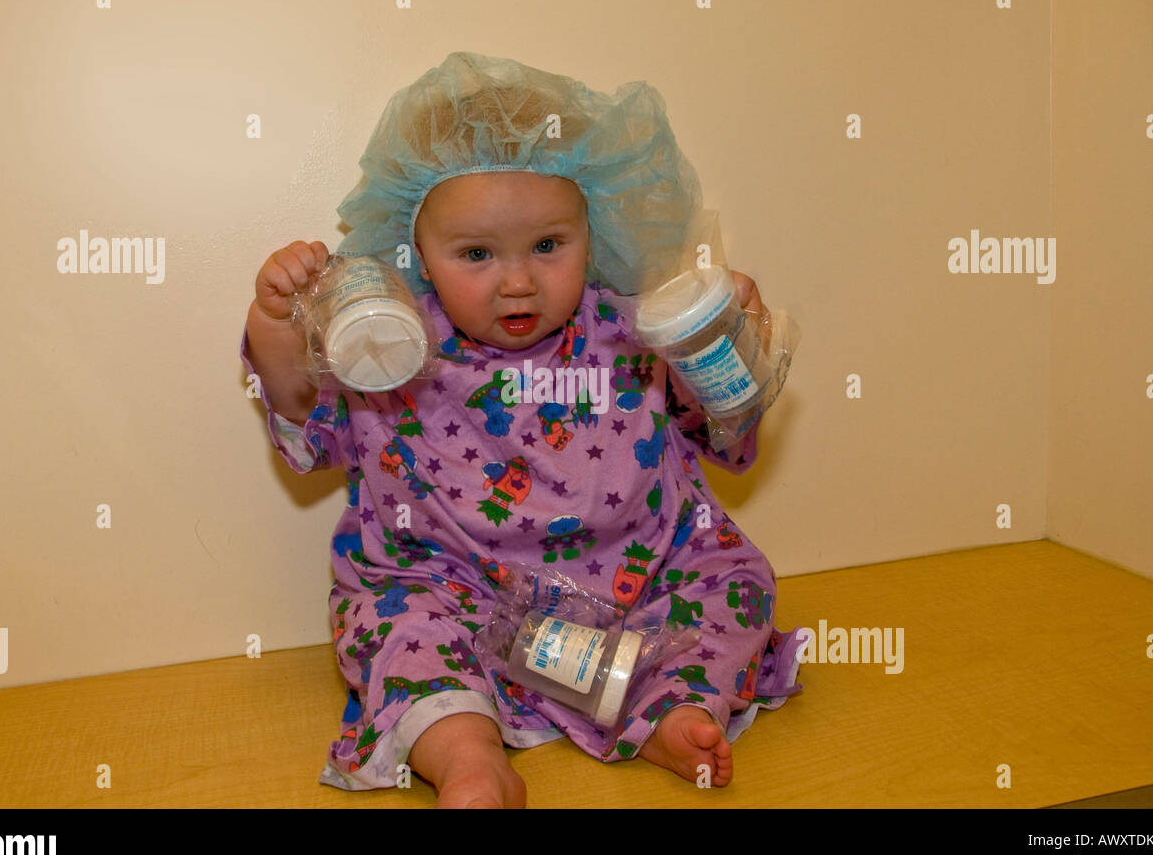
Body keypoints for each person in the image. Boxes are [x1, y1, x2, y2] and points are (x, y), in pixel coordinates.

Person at [242, 53, 803, 807]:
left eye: (548, 245)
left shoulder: (629, 330)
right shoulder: (393, 348)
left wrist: (722, 339)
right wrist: (282, 325)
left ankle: (676, 708)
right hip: (456, 591)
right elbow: (303, 412)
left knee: (731, 585)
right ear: (416, 256)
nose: (517, 280)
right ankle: (468, 756)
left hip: (638, 586)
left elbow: (722, 428)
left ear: (593, 232)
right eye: (476, 253)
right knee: (400, 626)